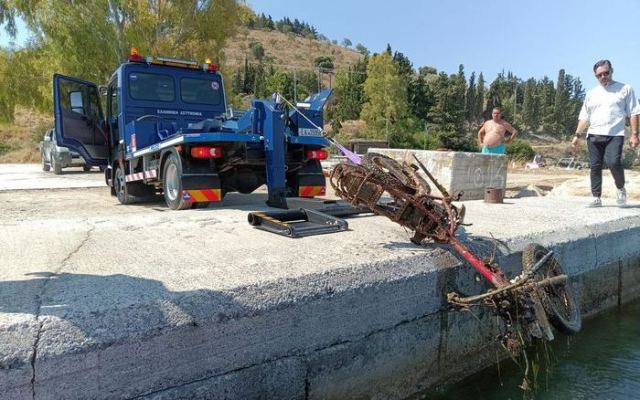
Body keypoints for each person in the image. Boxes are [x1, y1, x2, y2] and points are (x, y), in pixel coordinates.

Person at [572, 59, 640, 207]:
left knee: (613, 162)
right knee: (595, 166)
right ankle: (596, 197)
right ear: (596, 76)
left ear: (611, 71)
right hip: (594, 135)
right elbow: (584, 116)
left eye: (606, 73)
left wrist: (635, 134)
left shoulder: (625, 89)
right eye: (599, 75)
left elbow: (634, 112)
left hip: (615, 134)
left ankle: (621, 188)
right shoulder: (591, 94)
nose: (603, 77)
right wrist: (577, 134)